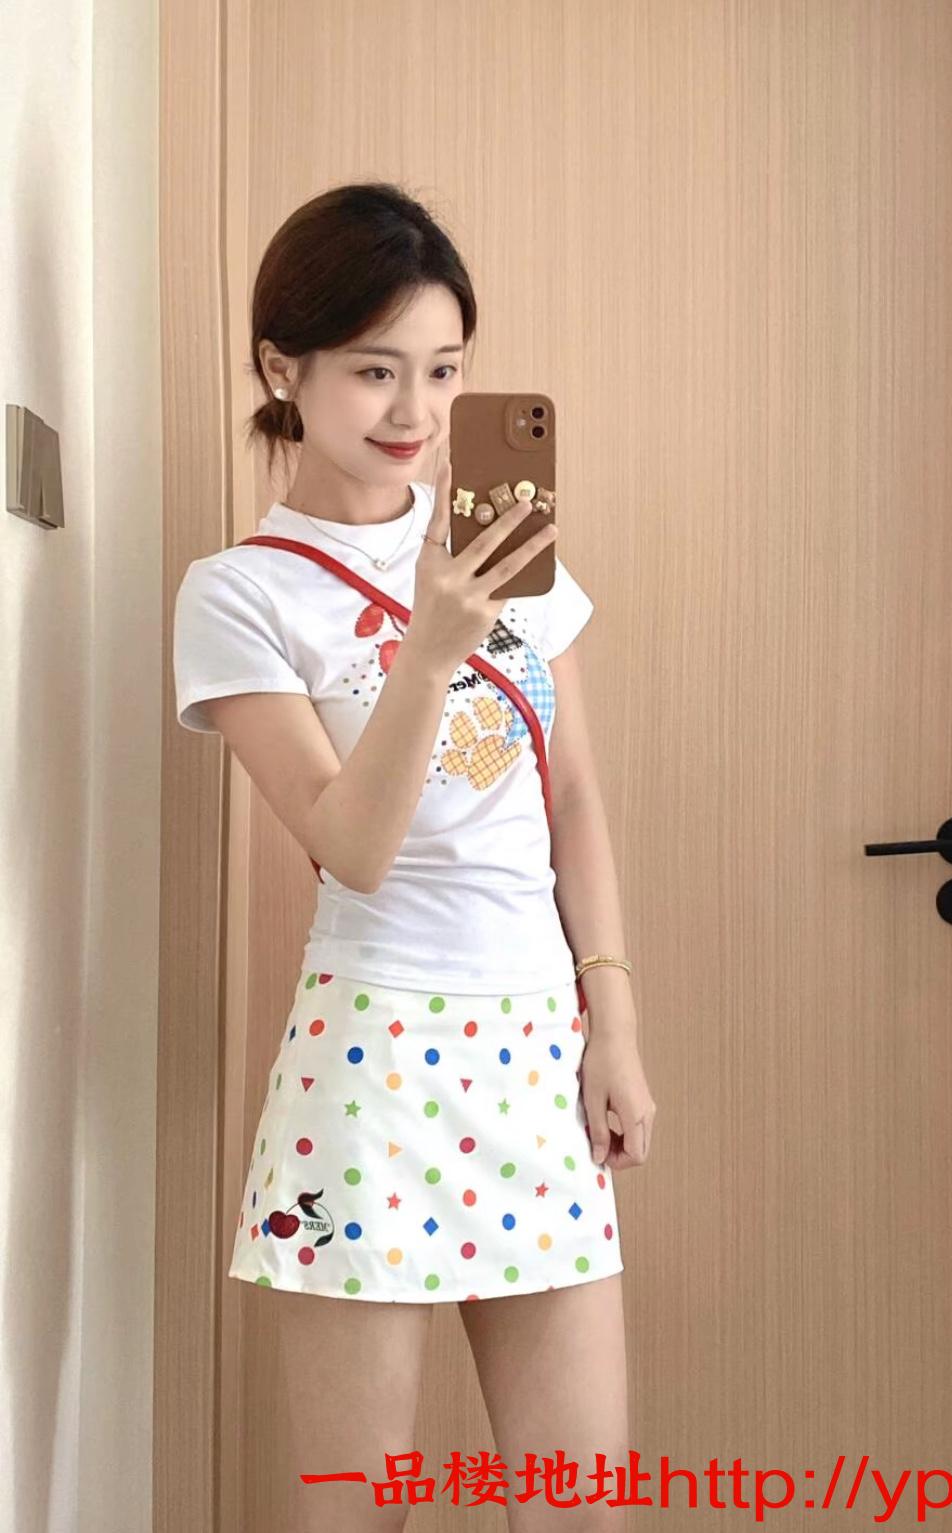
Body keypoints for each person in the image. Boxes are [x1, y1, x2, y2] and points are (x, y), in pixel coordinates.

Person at [172, 181, 656, 1532]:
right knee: (358, 1512)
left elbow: (573, 798)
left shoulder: (510, 551)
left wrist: (611, 1025)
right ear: (284, 366)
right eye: (375, 368)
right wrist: (430, 650)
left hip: (536, 1047)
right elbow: (351, 848)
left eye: (443, 370)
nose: (415, 411)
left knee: (580, 1506)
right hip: (371, 1062)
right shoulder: (239, 593)